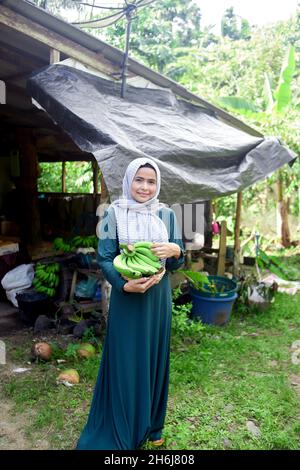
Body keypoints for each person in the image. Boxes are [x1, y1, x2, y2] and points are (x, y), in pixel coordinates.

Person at [76, 157, 185, 450]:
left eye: (151, 181)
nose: (145, 187)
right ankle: (123, 425)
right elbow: (104, 258)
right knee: (126, 359)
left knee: (155, 357)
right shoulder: (114, 214)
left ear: (157, 184)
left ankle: (154, 426)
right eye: (139, 180)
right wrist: (124, 284)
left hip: (157, 300)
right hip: (128, 297)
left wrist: (176, 249)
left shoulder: (167, 215)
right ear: (128, 181)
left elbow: (177, 263)